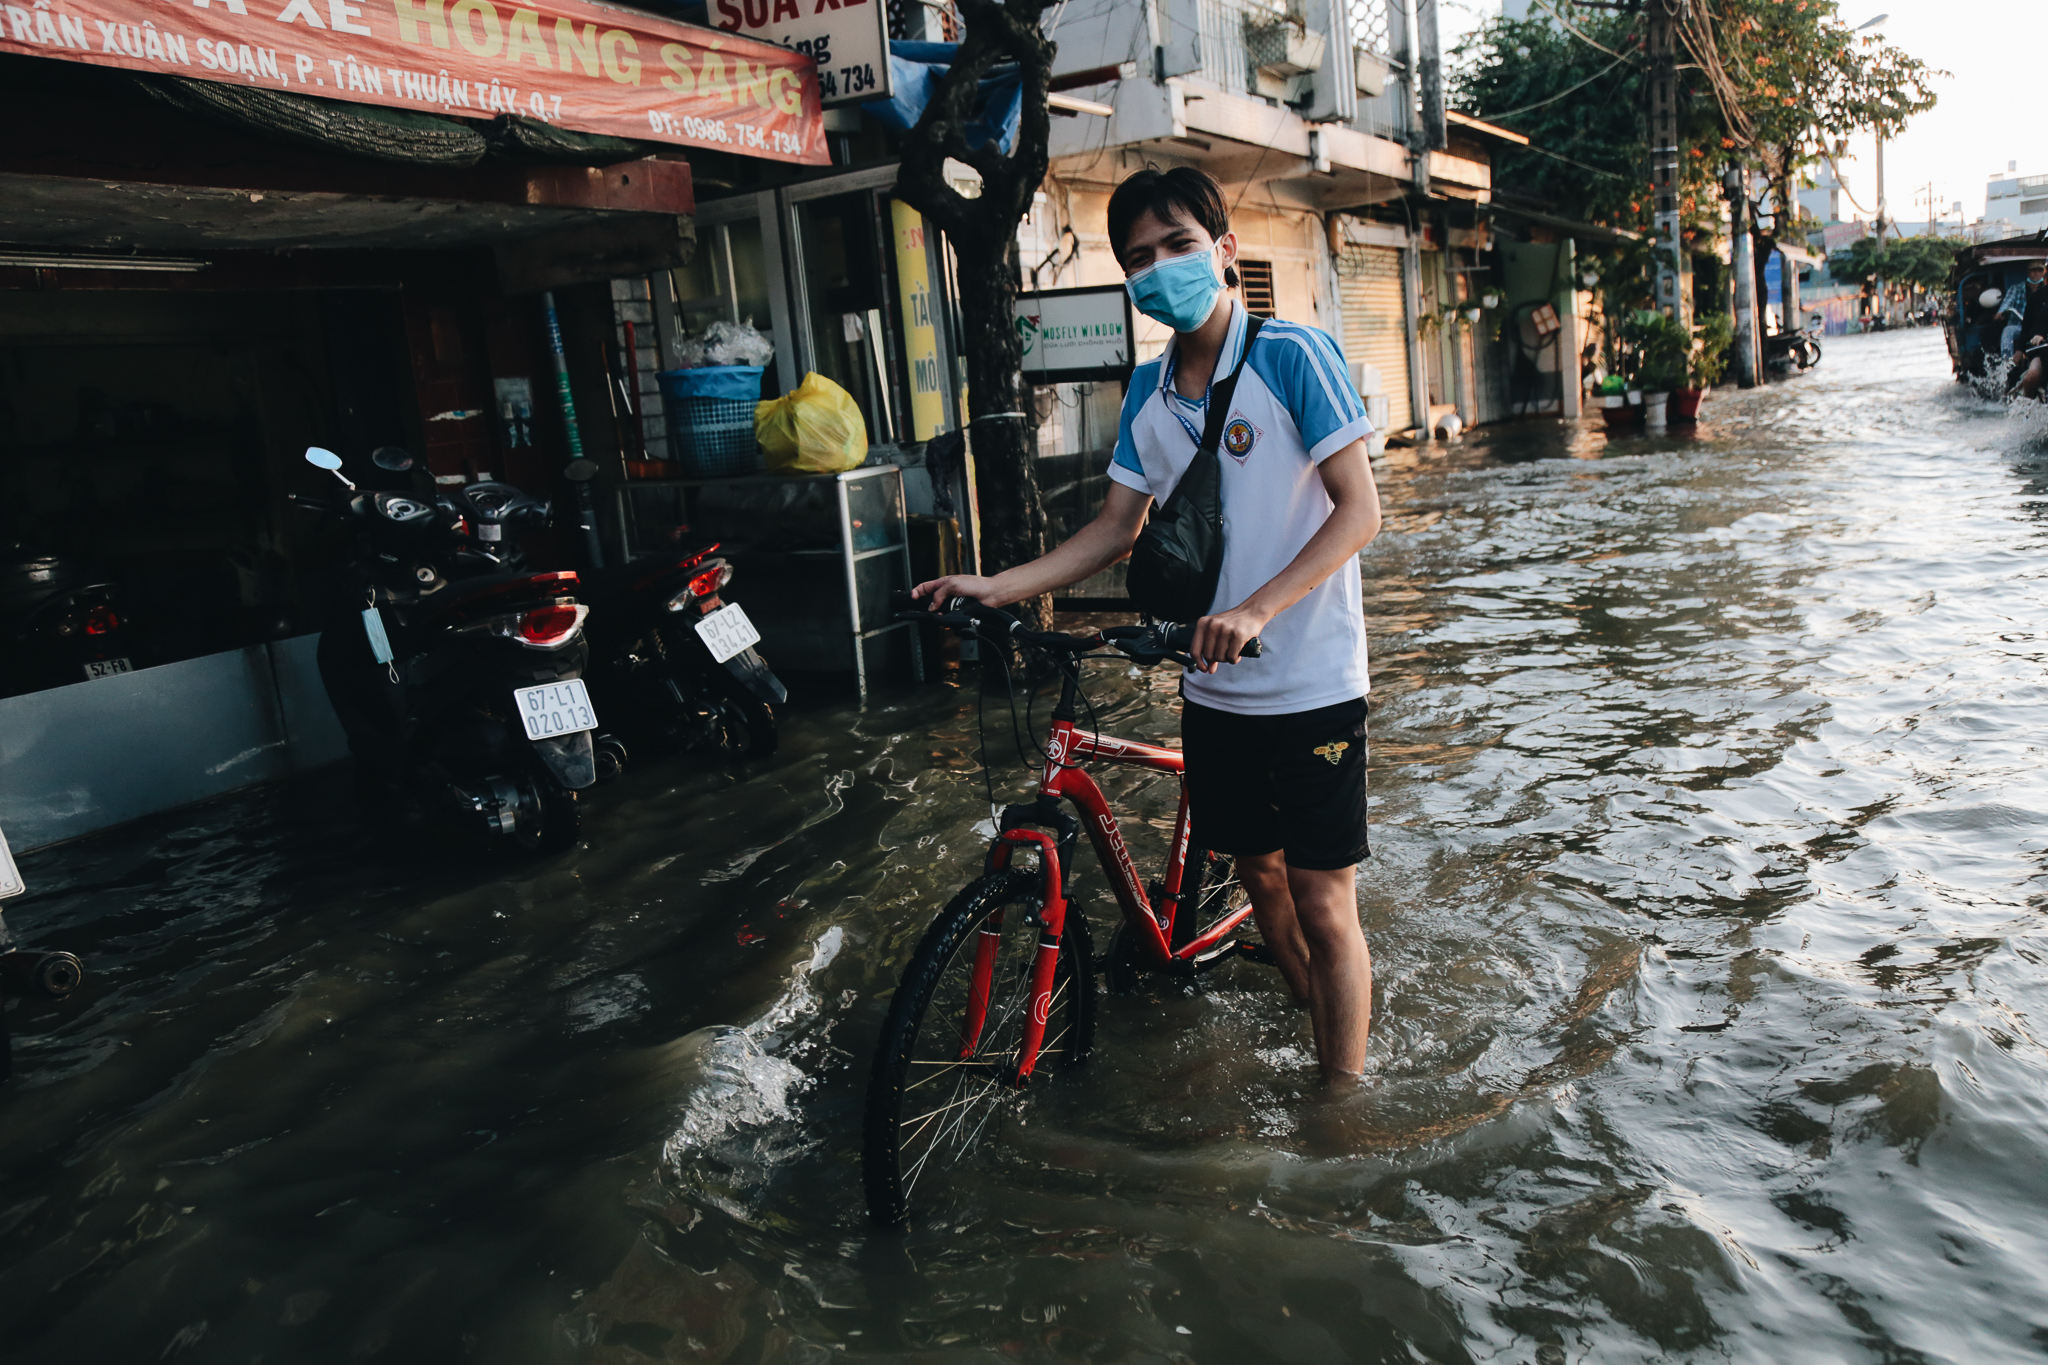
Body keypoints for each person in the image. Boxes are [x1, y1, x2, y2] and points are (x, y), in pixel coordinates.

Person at [913, 167, 1383, 1084]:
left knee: (1327, 906)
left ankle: (1342, 1107)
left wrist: (1256, 608)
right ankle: (1317, 1018)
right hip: (1215, 693)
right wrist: (1001, 585)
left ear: (1224, 250)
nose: (1160, 267)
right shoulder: (1147, 391)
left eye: (1177, 245)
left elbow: (1360, 511)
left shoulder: (1295, 355)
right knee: (1262, 884)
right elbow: (1113, 529)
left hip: (1315, 682)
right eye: (1139, 258)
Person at [1996, 261, 2044, 361]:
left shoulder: (2045, 290)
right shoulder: (2017, 289)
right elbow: (2007, 302)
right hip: (2020, 325)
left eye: (2040, 270)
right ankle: (2007, 364)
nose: (2037, 273)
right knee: (2008, 331)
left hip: (2040, 328)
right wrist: (2001, 312)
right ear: (2028, 272)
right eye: (2034, 270)